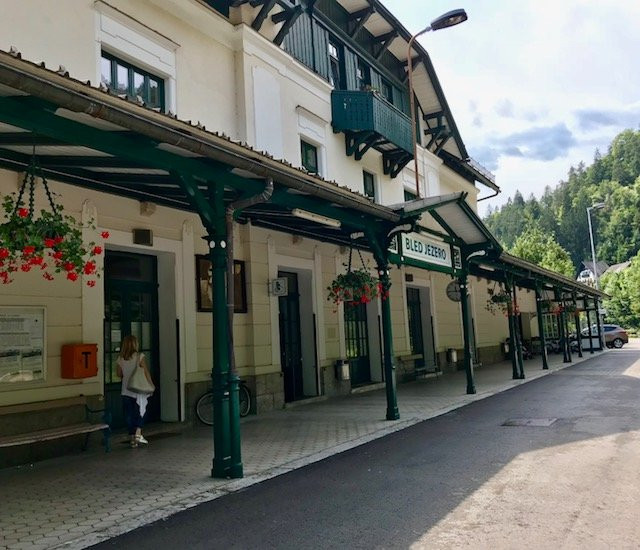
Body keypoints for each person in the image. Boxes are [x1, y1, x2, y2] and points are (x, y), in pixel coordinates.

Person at [116, 335, 153, 448]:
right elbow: (145, 372)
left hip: (125, 390)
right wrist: (151, 384)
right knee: (140, 412)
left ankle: (132, 439)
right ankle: (138, 434)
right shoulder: (139, 357)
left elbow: (119, 374)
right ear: (135, 344)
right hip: (138, 390)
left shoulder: (120, 358)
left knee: (129, 415)